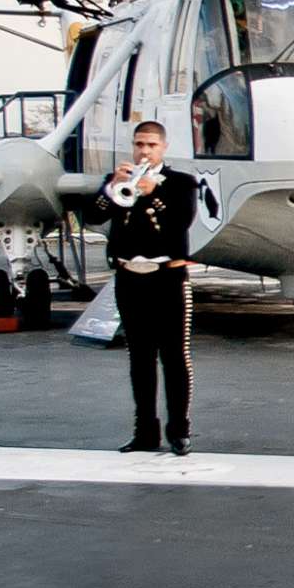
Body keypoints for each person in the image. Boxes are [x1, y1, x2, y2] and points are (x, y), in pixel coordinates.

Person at [80, 121, 200, 455]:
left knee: (175, 357)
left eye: (150, 145)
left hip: (167, 277)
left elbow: (182, 220)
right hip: (129, 276)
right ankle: (145, 431)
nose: (144, 151)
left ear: (163, 148)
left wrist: (154, 192)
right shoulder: (118, 180)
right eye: (139, 144)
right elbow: (91, 215)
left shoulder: (180, 183)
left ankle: (179, 430)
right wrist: (111, 189)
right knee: (140, 358)